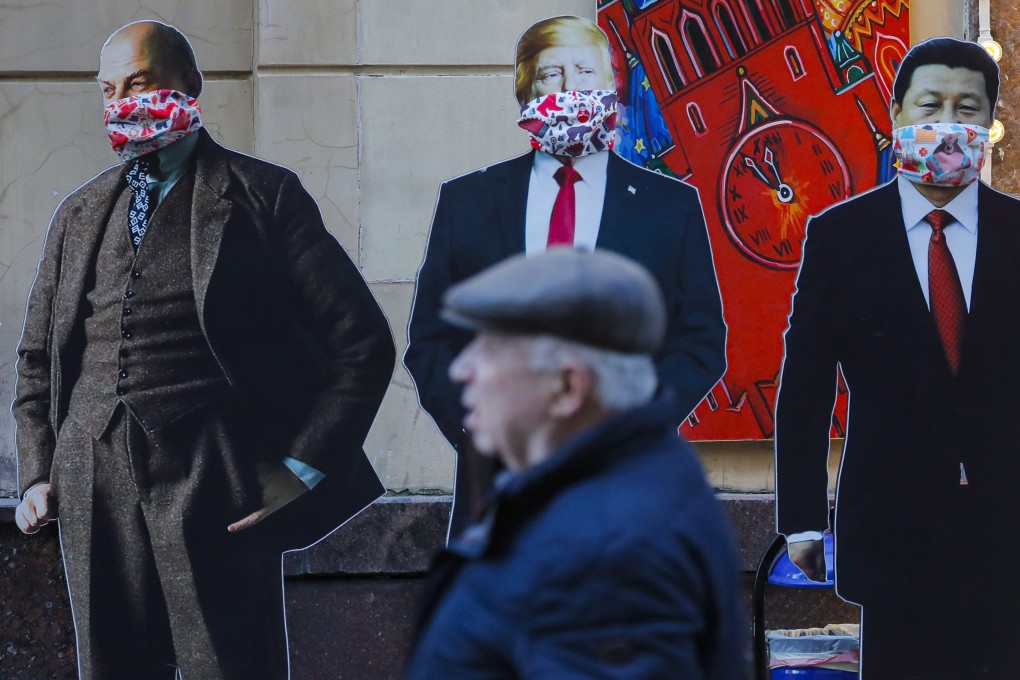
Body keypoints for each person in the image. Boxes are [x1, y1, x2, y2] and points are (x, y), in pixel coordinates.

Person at [12, 20, 395, 680]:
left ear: (189, 85)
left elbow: (362, 343)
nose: (121, 103)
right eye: (108, 91)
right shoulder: (79, 213)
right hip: (90, 476)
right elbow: (37, 358)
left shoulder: (261, 195)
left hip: (215, 478)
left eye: (138, 83)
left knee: (230, 666)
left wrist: (300, 468)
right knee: (110, 667)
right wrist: (40, 471)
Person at [405, 15, 726, 535]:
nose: (571, 87)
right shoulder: (468, 202)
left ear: (611, 87)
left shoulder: (671, 208)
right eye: (552, 74)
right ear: (526, 90)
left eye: (585, 71)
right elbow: (431, 340)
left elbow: (702, 342)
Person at [775, 37, 1020, 677]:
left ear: (990, 125)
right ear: (896, 117)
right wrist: (801, 518)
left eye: (967, 108)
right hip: (892, 526)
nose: (947, 124)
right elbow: (805, 385)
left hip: (1006, 528)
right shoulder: (839, 237)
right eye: (929, 104)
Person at [405, 248, 745, 679]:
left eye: (489, 348)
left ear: (567, 387)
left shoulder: (608, 553)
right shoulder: (634, 474)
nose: (461, 369)